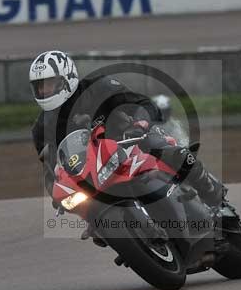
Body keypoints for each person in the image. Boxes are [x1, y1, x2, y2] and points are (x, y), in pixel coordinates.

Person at [29, 50, 228, 208]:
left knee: (172, 153)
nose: (43, 91)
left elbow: (141, 103)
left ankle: (212, 194)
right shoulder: (41, 128)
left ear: (67, 78)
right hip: (95, 169)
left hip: (132, 141)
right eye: (39, 87)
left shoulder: (99, 87)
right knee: (81, 204)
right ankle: (108, 228)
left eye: (49, 84)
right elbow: (50, 169)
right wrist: (55, 193)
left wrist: (140, 124)